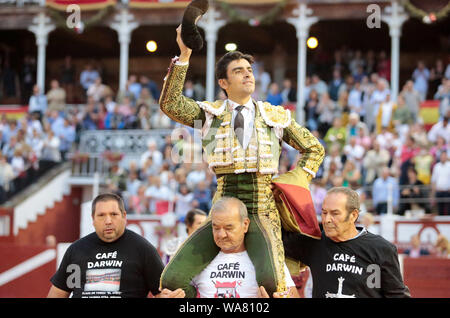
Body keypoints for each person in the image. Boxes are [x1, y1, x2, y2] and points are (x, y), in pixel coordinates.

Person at [159, 24, 324, 297]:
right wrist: (185, 54)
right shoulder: (209, 115)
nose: (247, 74)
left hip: (263, 210)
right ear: (223, 83)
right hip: (222, 209)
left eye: (249, 70)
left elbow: (314, 149)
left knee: (272, 285)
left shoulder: (275, 115)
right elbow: (171, 105)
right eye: (238, 71)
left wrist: (293, 181)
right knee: (172, 279)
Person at [47, 193, 185, 298]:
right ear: (93, 219)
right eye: (101, 215)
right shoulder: (76, 250)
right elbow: (58, 293)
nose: (108, 221)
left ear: (124, 216)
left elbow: (161, 293)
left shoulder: (143, 249)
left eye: (113, 214)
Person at [282, 187, 410, 298]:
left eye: (335, 213)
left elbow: (396, 295)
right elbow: (274, 238)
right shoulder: (314, 242)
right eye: (324, 212)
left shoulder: (381, 248)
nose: (326, 219)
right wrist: (277, 196)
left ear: (353, 215)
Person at [189, 197, 298, 298]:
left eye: (229, 228)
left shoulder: (268, 259)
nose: (221, 234)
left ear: (245, 225)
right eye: (216, 228)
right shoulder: (196, 260)